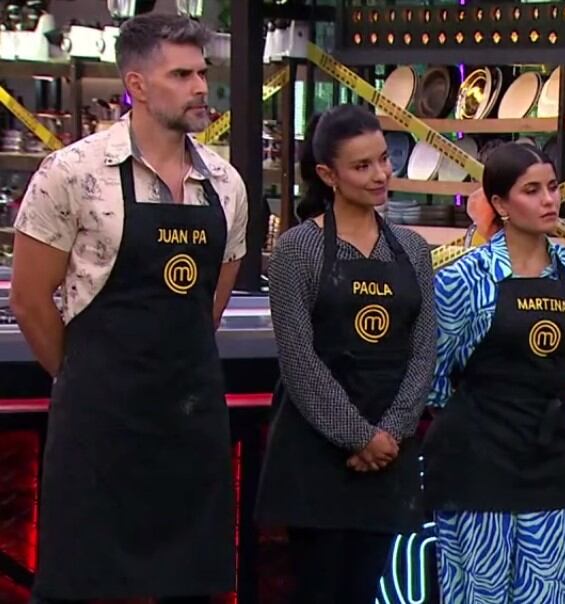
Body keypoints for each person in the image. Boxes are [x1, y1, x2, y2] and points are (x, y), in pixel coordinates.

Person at [9, 14, 248, 603]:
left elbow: (210, 305)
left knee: (190, 589)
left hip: (191, 426)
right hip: (99, 430)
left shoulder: (226, 184)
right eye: (182, 75)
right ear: (136, 85)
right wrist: (86, 379)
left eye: (202, 73)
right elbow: (30, 300)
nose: (200, 87)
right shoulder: (71, 173)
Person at [255, 105, 435, 604]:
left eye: (383, 160)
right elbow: (298, 360)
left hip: (388, 452)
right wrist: (358, 436)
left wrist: (391, 434)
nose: (380, 175)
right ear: (327, 175)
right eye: (362, 166)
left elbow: (424, 350)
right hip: (316, 455)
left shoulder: (413, 249)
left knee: (364, 588)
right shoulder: (297, 249)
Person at [422, 143, 565, 603]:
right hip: (478, 461)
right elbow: (433, 373)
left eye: (553, 187)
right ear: (499, 203)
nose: (549, 200)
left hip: (552, 457)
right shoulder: (464, 278)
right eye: (532, 190)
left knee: (547, 593)